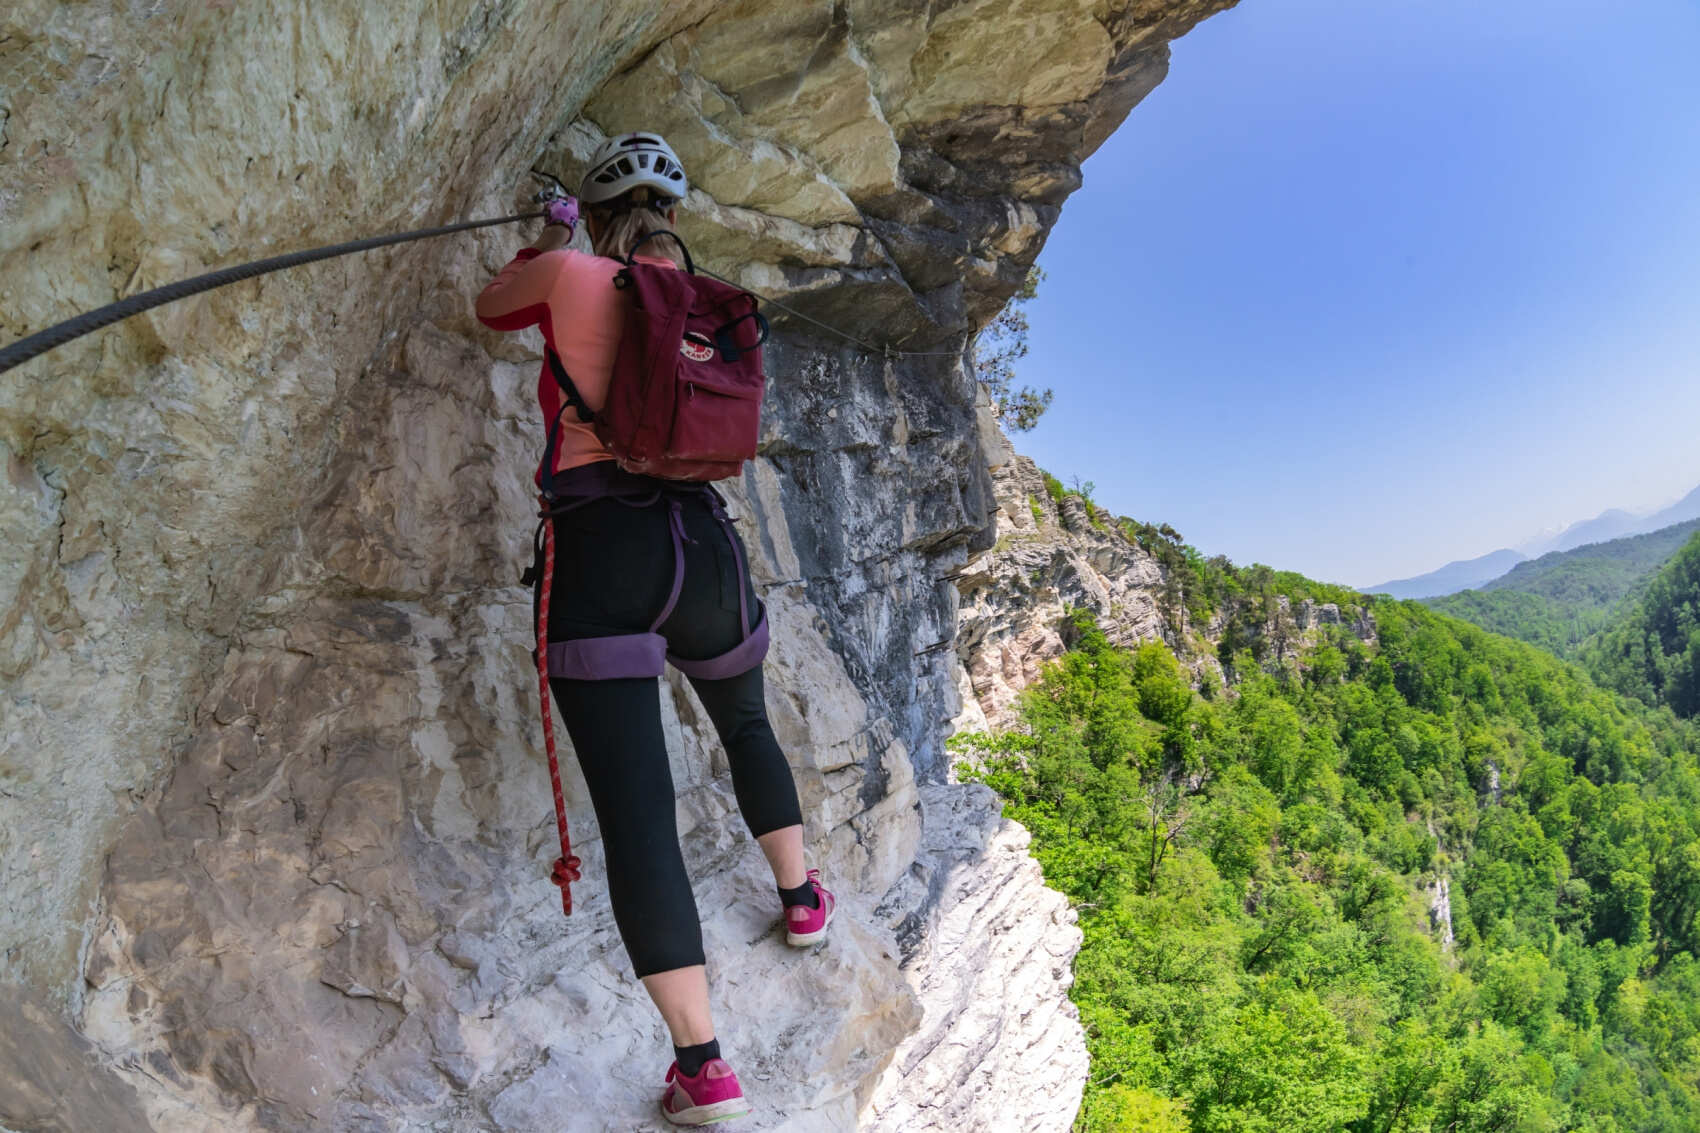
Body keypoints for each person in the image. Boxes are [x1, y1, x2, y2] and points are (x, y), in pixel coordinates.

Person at [475, 132, 835, 1127]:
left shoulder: (568, 271)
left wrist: (543, 242)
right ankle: (801, 900)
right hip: (704, 545)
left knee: (640, 822)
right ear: (671, 218)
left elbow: (489, 309)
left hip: (603, 550)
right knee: (747, 725)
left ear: (594, 215)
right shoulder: (711, 310)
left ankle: (704, 1066)